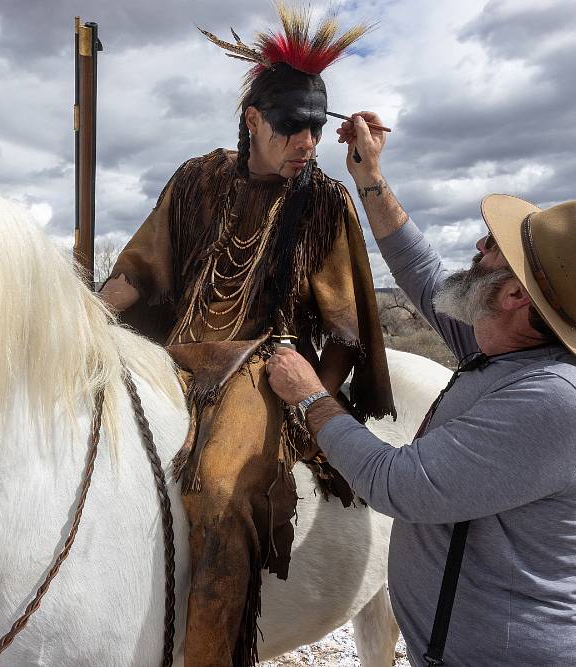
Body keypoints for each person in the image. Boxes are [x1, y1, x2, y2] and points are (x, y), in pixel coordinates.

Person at [266, 109, 576, 666]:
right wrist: (370, 177)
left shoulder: (554, 400)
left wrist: (311, 398)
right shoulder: (501, 347)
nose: (478, 247)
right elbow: (420, 267)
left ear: (512, 296)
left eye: (492, 248)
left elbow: (400, 487)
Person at [99, 7, 395, 666]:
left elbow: (346, 325)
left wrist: (314, 402)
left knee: (220, 489)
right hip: (172, 356)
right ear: (254, 119)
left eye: (316, 129)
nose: (308, 143)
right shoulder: (197, 179)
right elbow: (138, 273)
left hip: (265, 368)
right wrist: (84, 318)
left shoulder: (324, 202)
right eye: (293, 126)